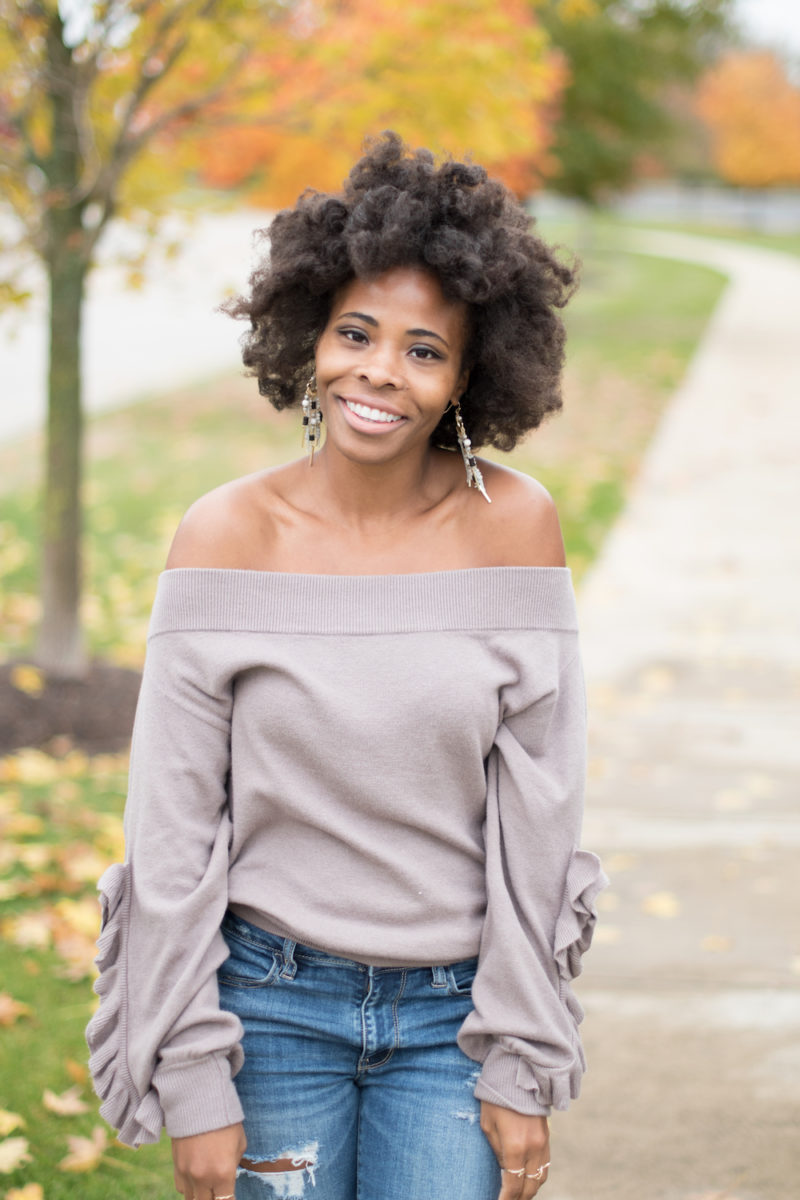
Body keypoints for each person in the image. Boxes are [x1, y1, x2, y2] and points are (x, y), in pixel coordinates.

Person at [87, 131, 607, 1200]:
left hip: (453, 1025)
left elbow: (538, 822)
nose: (380, 371)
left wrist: (519, 1055)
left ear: (468, 375)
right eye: (355, 333)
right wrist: (192, 1075)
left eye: (424, 349)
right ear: (307, 340)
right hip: (266, 1010)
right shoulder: (224, 535)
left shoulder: (514, 528)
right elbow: (173, 830)